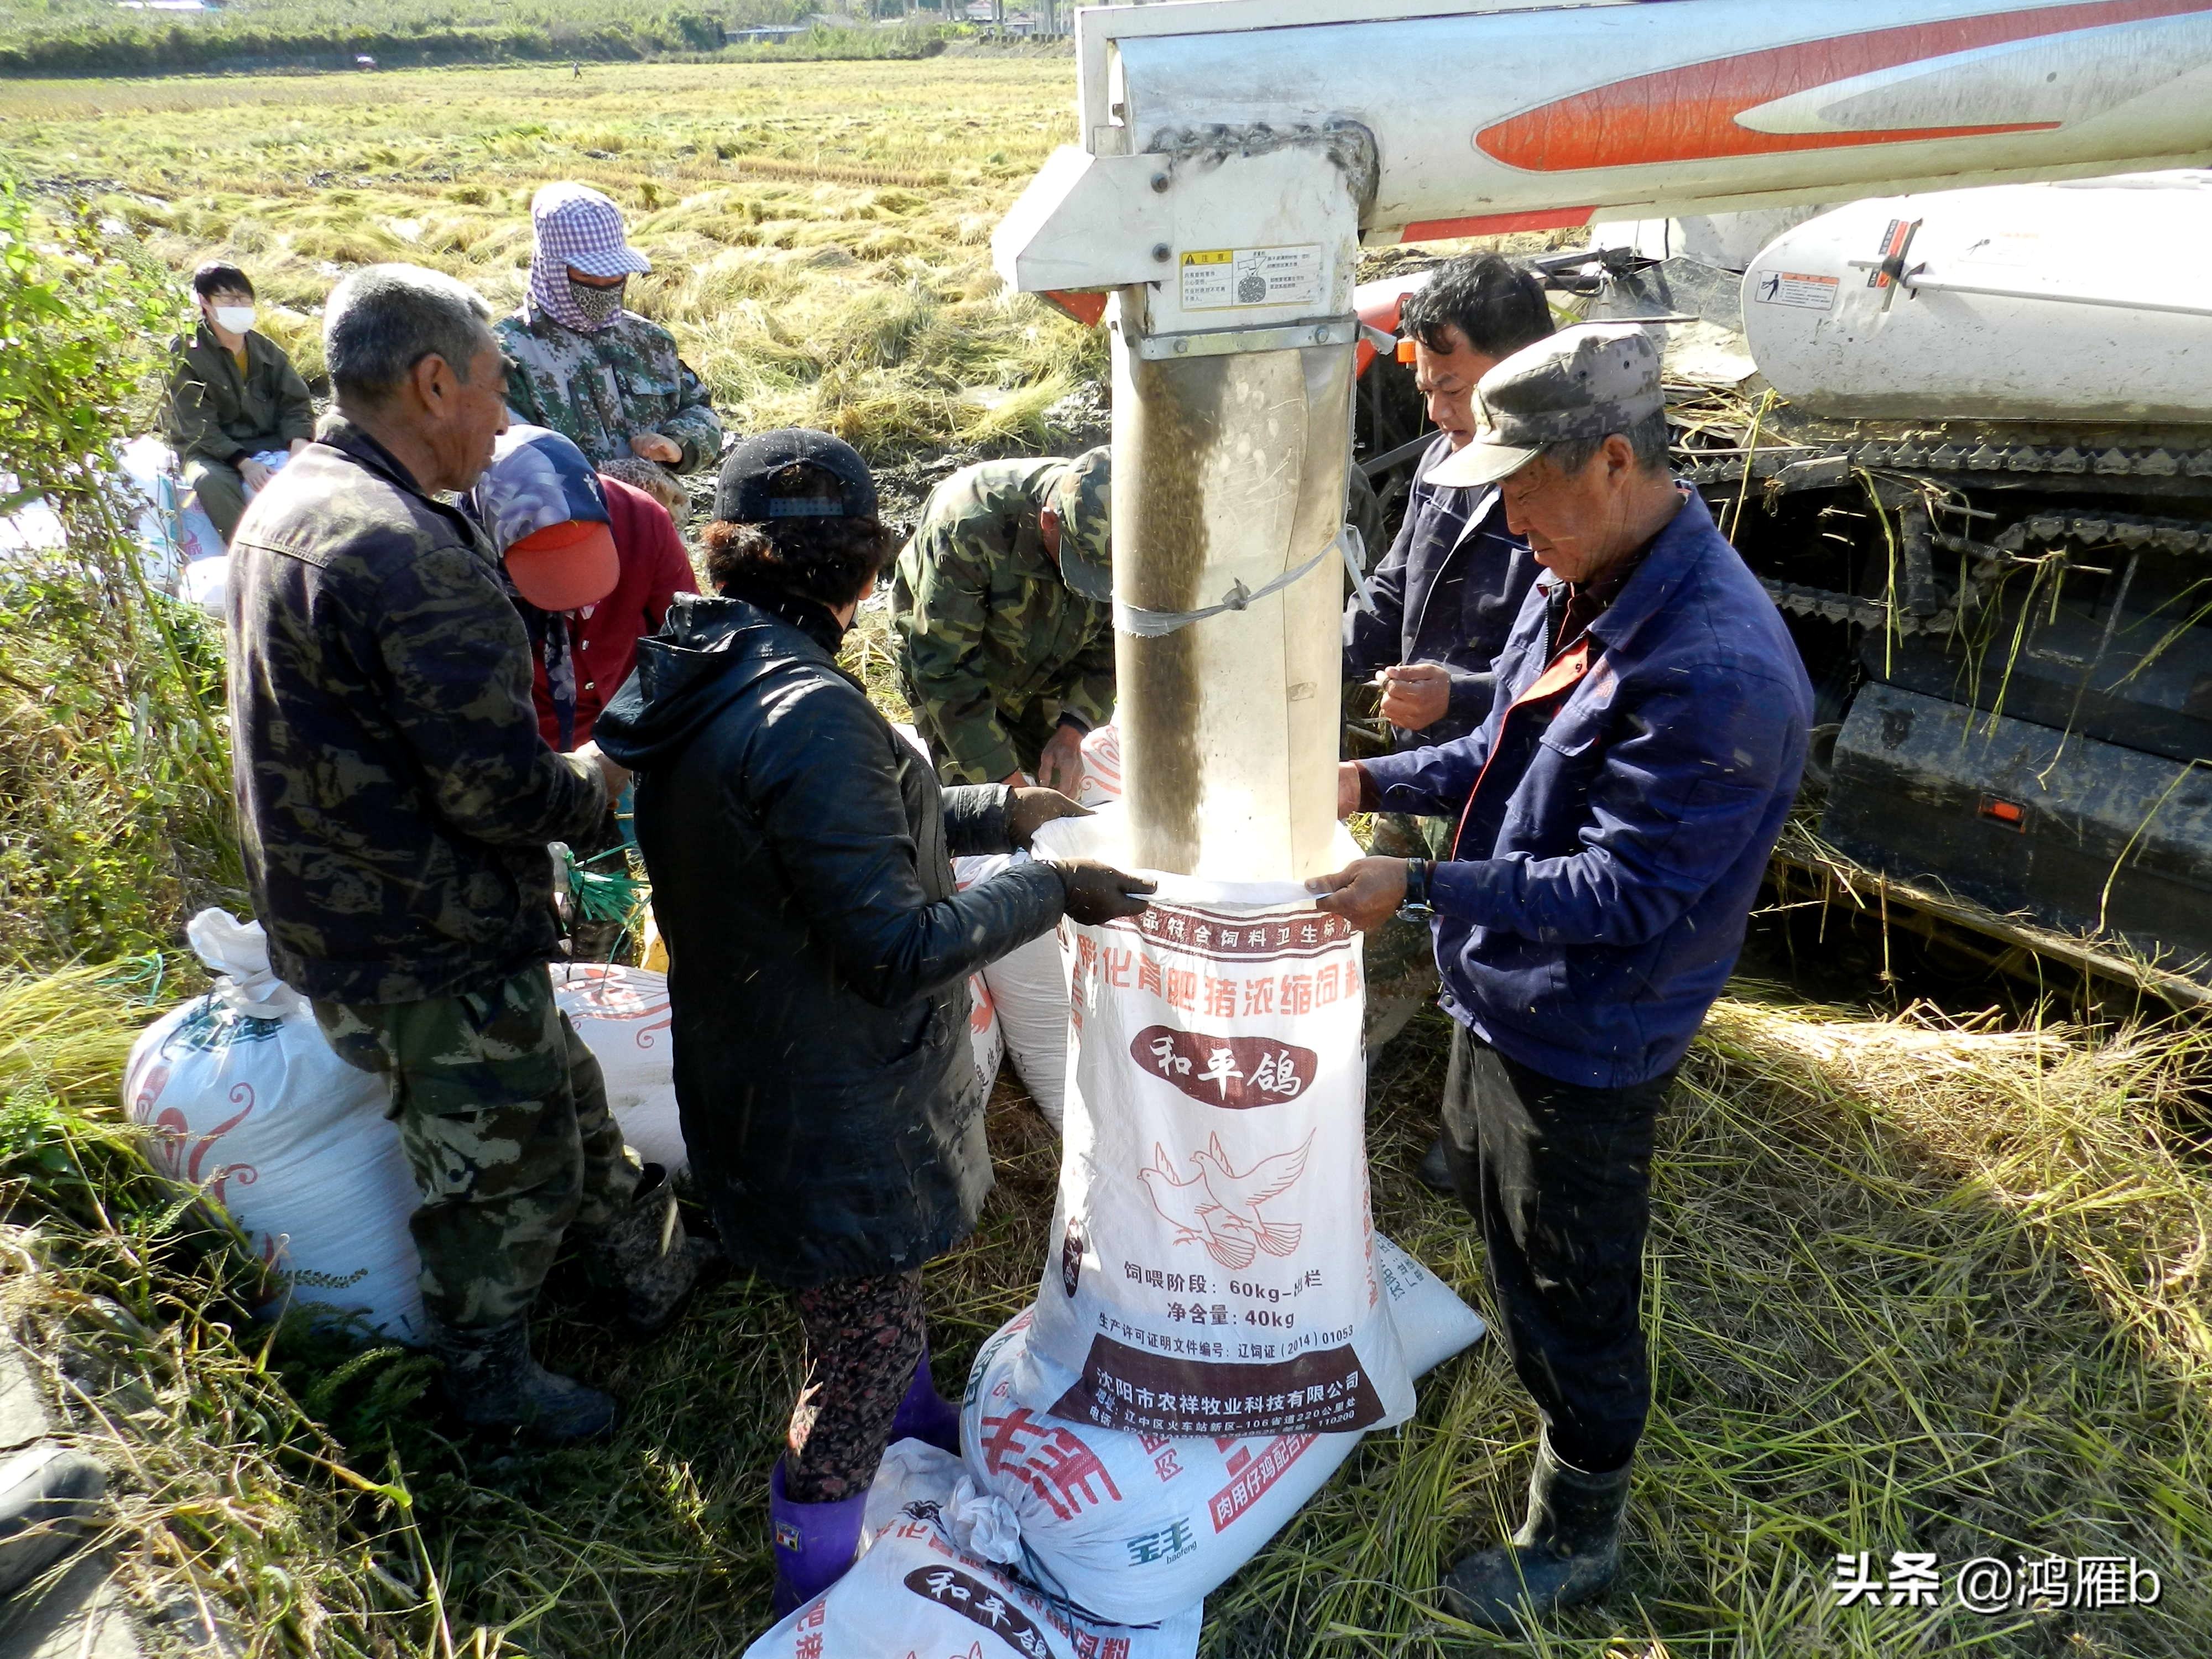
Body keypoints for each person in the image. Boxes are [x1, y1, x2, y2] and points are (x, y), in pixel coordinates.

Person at [593, 429, 1153, 1614]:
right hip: (822, 1099)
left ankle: (918, 1420)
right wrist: (1051, 886)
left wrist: (999, 806)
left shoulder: (706, 662)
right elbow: (896, 946)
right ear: (857, 570)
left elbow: (824, 832)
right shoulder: (809, 710)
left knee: (868, 1310)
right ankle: (818, 1588)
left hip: (753, 1061)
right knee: (844, 1367)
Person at [1308, 324, 1812, 1630]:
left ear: (1607, 461)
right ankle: (1541, 1369)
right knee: (1485, 1196)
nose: (1508, 519)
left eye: (1522, 488)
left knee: (1570, 1288)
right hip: (1502, 984)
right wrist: (1371, 779)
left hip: (1586, 1027)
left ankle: (1575, 1528)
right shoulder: (1578, 572)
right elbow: (1495, 743)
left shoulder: (1713, 668)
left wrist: (1414, 885)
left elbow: (1625, 891)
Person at [226, 263, 705, 1446]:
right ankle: (487, 1388)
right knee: (496, 1163)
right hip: (420, 934)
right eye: (493, 389)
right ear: (433, 381)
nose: (500, 423)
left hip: (345, 904)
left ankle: (642, 1272)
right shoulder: (408, 557)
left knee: (558, 1091)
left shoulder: (297, 502)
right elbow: (497, 790)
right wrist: (605, 785)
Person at [1347, 255, 1556, 1182]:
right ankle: (1343, 1086)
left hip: (1518, 773)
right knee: (1391, 937)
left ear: (1520, 366)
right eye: (1427, 389)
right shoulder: (1443, 456)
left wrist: (1462, 696)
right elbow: (1397, 582)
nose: (1435, 412)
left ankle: (1467, 1139)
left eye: (1453, 389)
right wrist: (1311, 669)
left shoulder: (1567, 479)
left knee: (1495, 949)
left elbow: (1565, 667)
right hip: (1426, 759)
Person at [889, 447, 1113, 792]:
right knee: (979, 813)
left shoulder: (1136, 533)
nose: (1091, 585)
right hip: (952, 672)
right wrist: (1006, 784)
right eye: (1083, 570)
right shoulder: (966, 526)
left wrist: (1073, 729)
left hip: (1046, 666)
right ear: (1049, 521)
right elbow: (944, 669)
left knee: (1060, 786)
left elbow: (1112, 644)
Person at [466, 425, 700, 753]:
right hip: (532, 752)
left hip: (642, 729)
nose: (582, 601)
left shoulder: (641, 518)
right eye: (547, 565)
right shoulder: (457, 563)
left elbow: (689, 641)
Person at [495, 183, 722, 491]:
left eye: (614, 274)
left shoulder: (649, 342)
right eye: (587, 276)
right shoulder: (506, 355)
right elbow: (502, 457)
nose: (603, 286)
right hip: (565, 528)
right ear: (551, 269)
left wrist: (677, 443)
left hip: (659, 524)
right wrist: (598, 481)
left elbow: (699, 409)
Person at [163, 262, 315, 546]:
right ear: (205, 302)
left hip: (268, 441)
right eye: (228, 299)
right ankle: (247, 555)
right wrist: (244, 464)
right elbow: (196, 423)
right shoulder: (186, 352)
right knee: (210, 482)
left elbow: (295, 404)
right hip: (211, 451)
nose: (239, 305)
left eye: (244, 298)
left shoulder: (266, 350)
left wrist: (299, 448)